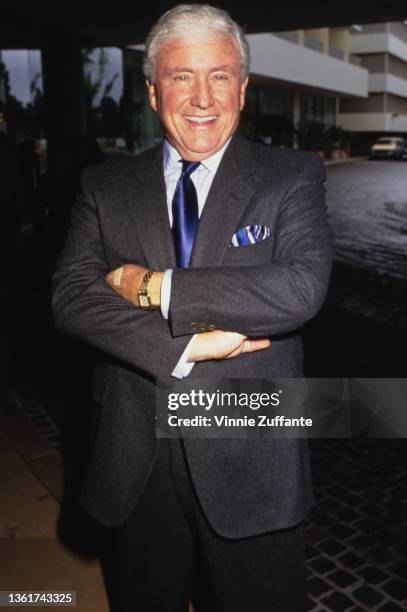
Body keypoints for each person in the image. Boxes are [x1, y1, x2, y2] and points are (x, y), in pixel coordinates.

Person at [52, 4, 333, 611]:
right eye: (182, 76)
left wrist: (155, 288)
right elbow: (72, 297)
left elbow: (299, 288)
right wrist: (178, 347)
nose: (202, 97)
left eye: (221, 75)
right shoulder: (105, 187)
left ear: (244, 87)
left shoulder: (292, 177)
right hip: (136, 453)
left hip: (252, 448)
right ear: (154, 91)